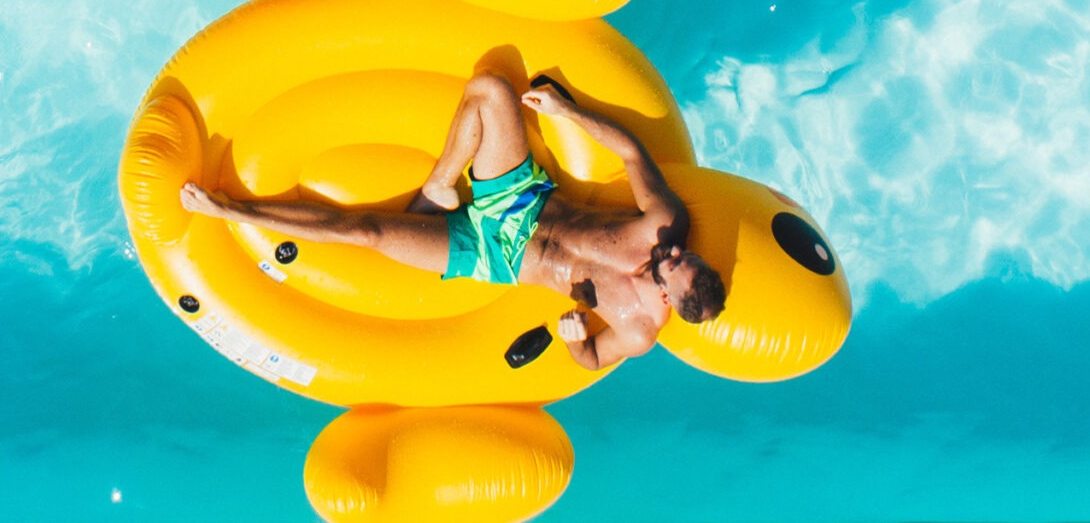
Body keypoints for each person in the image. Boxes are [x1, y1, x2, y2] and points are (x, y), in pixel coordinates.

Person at [178, 73, 724, 370]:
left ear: (672, 302)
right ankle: (440, 184)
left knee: (366, 232)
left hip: (494, 254)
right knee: (490, 90)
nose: (674, 252)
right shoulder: (664, 223)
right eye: (686, 254)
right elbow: (631, 155)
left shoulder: (637, 331)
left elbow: (589, 360)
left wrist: (573, 338)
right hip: (525, 198)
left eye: (674, 266)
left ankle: (227, 208)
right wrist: (566, 114)